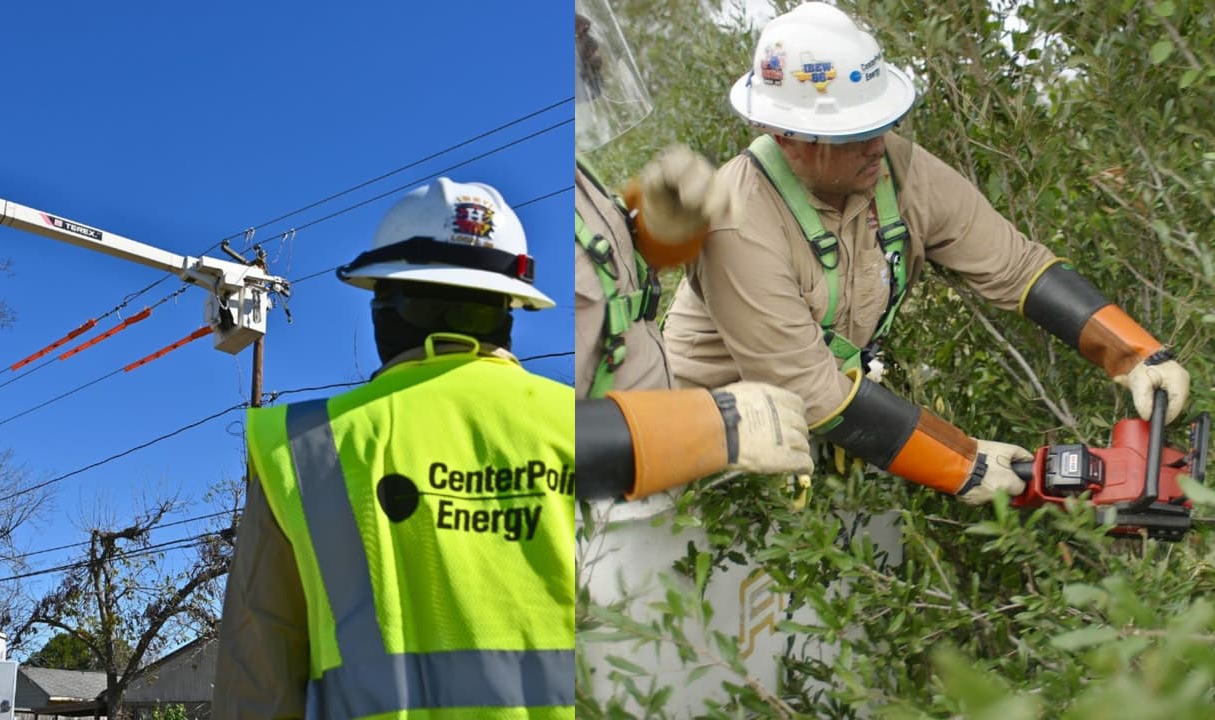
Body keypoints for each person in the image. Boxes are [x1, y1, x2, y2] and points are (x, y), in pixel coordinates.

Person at [663, 1, 1191, 504]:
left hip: (825, 426)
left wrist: (1135, 352)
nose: (877, 144)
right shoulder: (734, 220)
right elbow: (808, 389)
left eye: (880, 124)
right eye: (851, 135)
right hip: (706, 450)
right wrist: (964, 461)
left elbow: (1016, 266)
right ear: (786, 136)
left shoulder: (893, 168)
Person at [213, 178, 574, 718]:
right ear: (510, 307)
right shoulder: (590, 427)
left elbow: (256, 691)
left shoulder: (306, 448)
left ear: (387, 306)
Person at [574, 0, 813, 500]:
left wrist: (659, 226)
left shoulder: (567, 175)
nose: (588, 28)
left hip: (638, 495)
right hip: (580, 529)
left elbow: (604, 286)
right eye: (568, 21)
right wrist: (707, 426)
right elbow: (508, 431)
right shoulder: (485, 205)